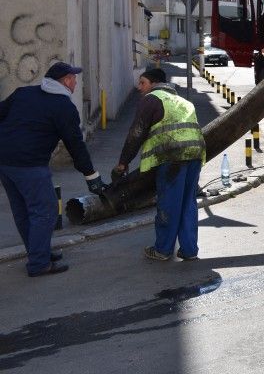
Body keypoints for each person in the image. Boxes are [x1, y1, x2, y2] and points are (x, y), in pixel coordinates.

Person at [0, 62, 107, 277]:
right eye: (74, 78)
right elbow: (75, 145)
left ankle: (38, 252)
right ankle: (39, 264)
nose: (76, 82)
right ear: (66, 81)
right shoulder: (63, 107)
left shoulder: (24, 93)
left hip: (5, 162)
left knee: (22, 210)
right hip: (30, 165)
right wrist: (91, 176)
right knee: (46, 211)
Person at [112, 68, 206, 262]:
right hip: (195, 155)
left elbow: (136, 134)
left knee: (169, 203)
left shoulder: (151, 99)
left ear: (154, 83)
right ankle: (189, 250)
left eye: (142, 83)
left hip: (172, 158)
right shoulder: (183, 101)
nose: (139, 88)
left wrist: (122, 164)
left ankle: (162, 250)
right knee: (188, 203)